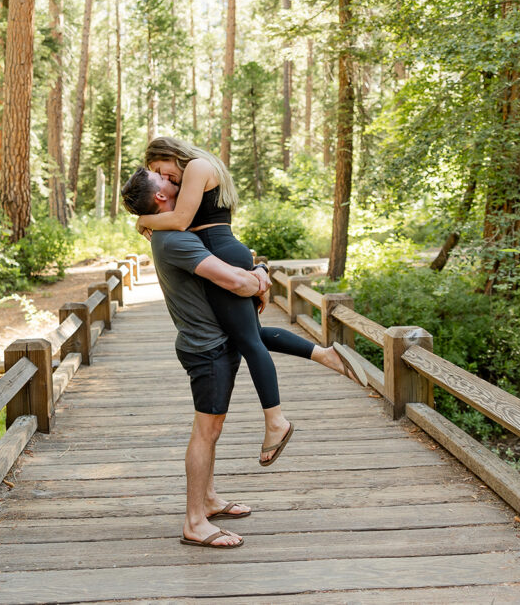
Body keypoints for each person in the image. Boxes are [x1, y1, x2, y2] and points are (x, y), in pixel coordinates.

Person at [123, 147, 355, 466]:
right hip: (223, 252)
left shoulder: (196, 167)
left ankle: (276, 422)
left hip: (221, 253)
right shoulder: (196, 171)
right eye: (157, 175)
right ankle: (324, 354)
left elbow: (179, 220)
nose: (164, 176)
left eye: (161, 169)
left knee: (247, 341)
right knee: (250, 334)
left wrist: (143, 220)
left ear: (170, 153)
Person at [120, 167, 265, 548]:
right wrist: (261, 273)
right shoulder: (174, 240)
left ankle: (210, 499)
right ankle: (194, 522)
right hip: (207, 349)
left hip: (209, 342)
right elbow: (237, 281)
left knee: (212, 430)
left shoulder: (172, 233)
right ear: (161, 199)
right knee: (206, 432)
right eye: (165, 180)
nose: (175, 180)